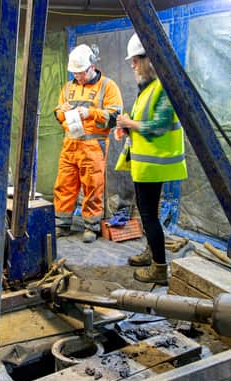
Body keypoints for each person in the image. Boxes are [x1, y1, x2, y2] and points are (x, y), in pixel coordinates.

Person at [116, 34, 187, 284]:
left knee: (149, 216)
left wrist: (128, 122)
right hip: (146, 164)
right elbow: (142, 123)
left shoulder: (163, 87)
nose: (132, 65)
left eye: (135, 61)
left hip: (154, 165)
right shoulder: (149, 88)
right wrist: (126, 127)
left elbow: (158, 125)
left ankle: (159, 268)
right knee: (149, 213)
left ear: (147, 60)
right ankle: (152, 252)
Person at [53, 44, 123, 243]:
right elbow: (57, 114)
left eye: (81, 73)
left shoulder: (108, 87)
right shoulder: (68, 87)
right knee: (64, 185)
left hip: (93, 147)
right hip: (70, 145)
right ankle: (62, 224)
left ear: (92, 66)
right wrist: (62, 111)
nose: (78, 77)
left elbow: (114, 116)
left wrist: (90, 113)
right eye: (74, 73)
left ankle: (91, 226)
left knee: (92, 187)